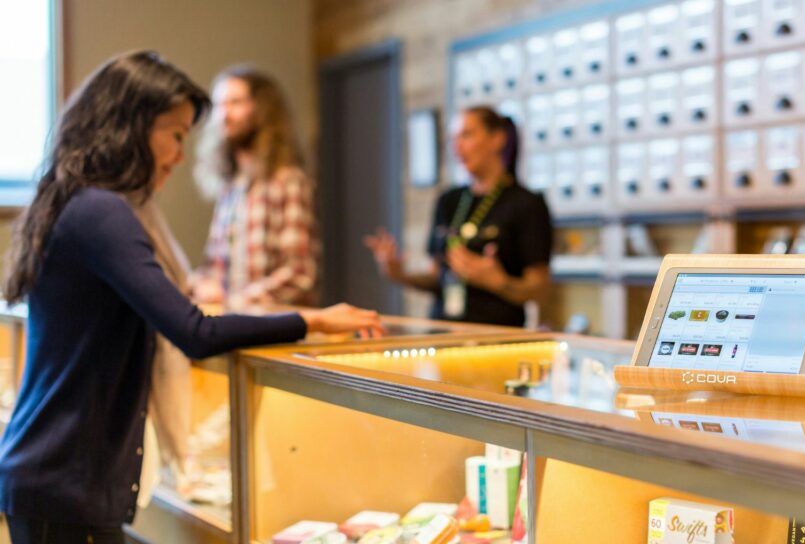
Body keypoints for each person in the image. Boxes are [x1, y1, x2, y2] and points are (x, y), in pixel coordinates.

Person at [0, 51, 382, 543]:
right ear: (133, 126)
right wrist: (313, 320)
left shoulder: (81, 203)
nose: (181, 155)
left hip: (59, 479)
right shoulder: (101, 213)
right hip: (64, 482)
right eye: (176, 134)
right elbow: (194, 331)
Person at [364, 106, 553, 327]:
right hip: (443, 334)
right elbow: (436, 278)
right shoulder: (449, 200)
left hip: (496, 338)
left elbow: (539, 289)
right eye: (453, 139)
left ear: (497, 139)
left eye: (467, 135)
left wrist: (498, 282)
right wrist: (397, 273)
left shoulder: (526, 204)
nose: (457, 147)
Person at [192, 65, 318, 308]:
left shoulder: (287, 181)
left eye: (235, 103)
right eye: (220, 105)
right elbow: (214, 267)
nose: (224, 115)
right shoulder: (231, 186)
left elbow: (298, 275)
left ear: (262, 109)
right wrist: (198, 284)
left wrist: (232, 300)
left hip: (276, 332)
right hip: (235, 328)